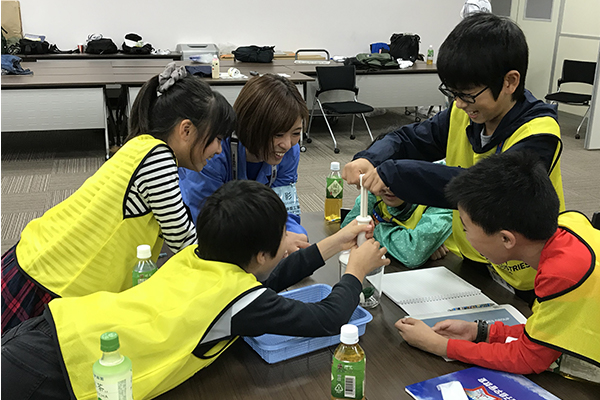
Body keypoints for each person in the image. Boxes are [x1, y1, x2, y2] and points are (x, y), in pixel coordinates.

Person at [1, 180, 390, 400]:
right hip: (61, 370)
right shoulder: (239, 301)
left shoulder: (195, 255)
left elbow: (265, 278)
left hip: (55, 327)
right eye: (282, 236)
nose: (290, 239)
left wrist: (337, 241)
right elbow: (327, 318)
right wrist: (354, 271)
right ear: (259, 254)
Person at [0, 63, 235, 333]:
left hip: (38, 260)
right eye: (216, 138)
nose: (219, 149)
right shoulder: (158, 160)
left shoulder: (140, 146)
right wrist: (235, 268)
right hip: (52, 280)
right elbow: (182, 239)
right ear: (185, 130)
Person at [342, 12, 565, 297]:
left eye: (468, 94)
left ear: (510, 82)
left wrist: (395, 174)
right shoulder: (465, 113)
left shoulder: (539, 133)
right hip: (476, 256)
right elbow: (409, 138)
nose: (459, 104)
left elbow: (487, 189)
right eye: (453, 93)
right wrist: (371, 158)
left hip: (531, 274)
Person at [395, 152, 600, 375]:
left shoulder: (562, 274)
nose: (463, 235)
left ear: (506, 239)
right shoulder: (568, 225)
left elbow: (528, 358)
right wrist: (482, 332)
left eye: (466, 228)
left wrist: (440, 346)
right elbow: (545, 333)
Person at [179, 74, 310, 253]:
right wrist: (270, 243)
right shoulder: (213, 153)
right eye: (278, 134)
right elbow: (208, 226)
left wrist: (293, 235)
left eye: (295, 133)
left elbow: (283, 207)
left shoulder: (289, 152)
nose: (287, 144)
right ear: (252, 126)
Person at [341, 136, 454, 267]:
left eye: (398, 178)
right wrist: (412, 241)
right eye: (381, 177)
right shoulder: (374, 189)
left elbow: (412, 253)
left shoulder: (441, 191)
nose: (388, 187)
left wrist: (371, 228)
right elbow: (348, 229)